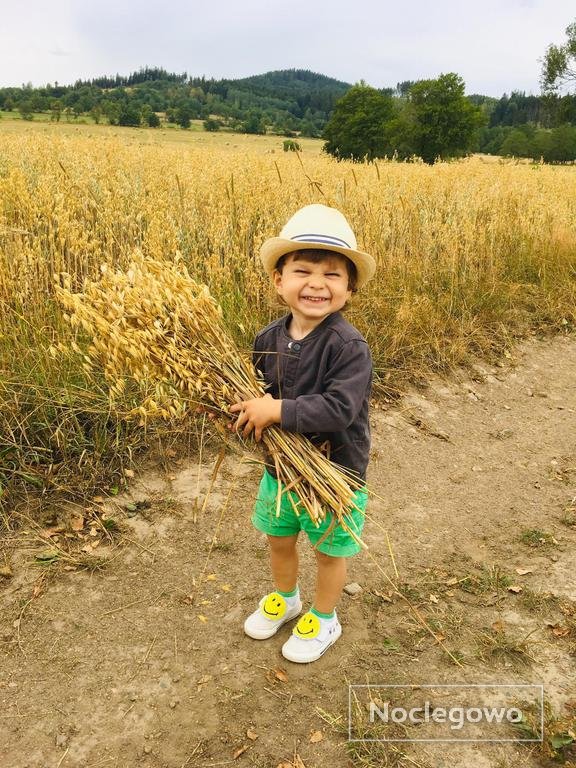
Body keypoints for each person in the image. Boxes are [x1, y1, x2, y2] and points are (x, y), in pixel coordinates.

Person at [229, 203, 376, 664]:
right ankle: (286, 598)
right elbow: (256, 397)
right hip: (280, 471)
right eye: (303, 270)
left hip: (335, 472)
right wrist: (238, 412)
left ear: (349, 289)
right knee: (279, 538)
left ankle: (324, 617)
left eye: (332, 275)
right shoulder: (267, 337)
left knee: (330, 549)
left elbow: (340, 408)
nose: (316, 283)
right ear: (279, 280)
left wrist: (277, 409)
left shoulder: (349, 347)